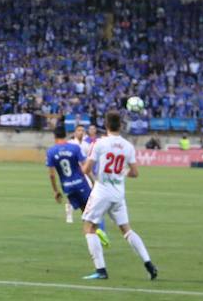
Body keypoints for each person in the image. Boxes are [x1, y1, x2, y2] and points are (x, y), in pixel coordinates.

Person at [81, 111, 158, 280]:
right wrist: (121, 173)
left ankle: (101, 270)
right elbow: (135, 173)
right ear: (121, 126)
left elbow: (86, 169)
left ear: (106, 125)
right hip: (118, 194)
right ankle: (149, 263)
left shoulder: (99, 143)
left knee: (89, 228)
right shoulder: (127, 146)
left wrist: (88, 172)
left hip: (102, 192)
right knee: (126, 230)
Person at [46, 124, 109, 247]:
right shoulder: (74, 147)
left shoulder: (51, 151)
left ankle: (94, 232)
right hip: (81, 184)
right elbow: (86, 166)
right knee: (95, 209)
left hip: (68, 188)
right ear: (66, 133)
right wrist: (94, 181)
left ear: (54, 136)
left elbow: (52, 175)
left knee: (85, 212)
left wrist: (55, 191)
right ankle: (100, 231)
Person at [64, 125, 88, 223]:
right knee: (72, 194)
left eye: (82, 130)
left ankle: (85, 215)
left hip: (84, 173)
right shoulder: (70, 144)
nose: (81, 132)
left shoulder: (87, 145)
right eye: (78, 130)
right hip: (73, 173)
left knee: (87, 196)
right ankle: (69, 215)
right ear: (74, 132)